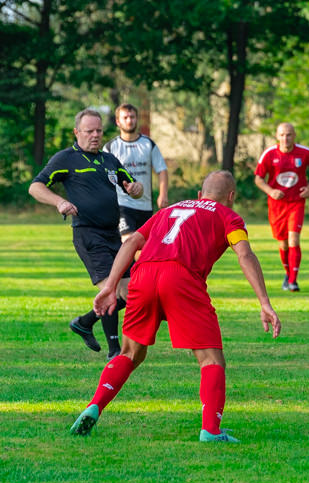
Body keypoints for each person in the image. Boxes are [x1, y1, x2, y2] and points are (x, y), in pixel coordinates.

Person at [69, 170, 281, 443]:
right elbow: (245, 254)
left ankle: (94, 406)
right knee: (211, 360)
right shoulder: (229, 216)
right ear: (231, 197)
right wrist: (264, 302)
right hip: (181, 278)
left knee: (130, 353)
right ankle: (211, 431)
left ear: (199, 194)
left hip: (142, 275)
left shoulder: (168, 210)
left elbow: (132, 241)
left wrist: (110, 286)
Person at [29, 109, 144, 360]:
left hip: (115, 236)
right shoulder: (65, 159)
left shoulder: (109, 160)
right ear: (76, 132)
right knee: (110, 291)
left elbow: (133, 187)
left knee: (134, 292)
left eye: (99, 131)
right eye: (89, 131)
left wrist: (136, 188)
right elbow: (35, 186)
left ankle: (84, 322)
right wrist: (59, 202)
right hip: (88, 235)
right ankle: (115, 352)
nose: (95, 135)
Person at [254, 122, 309, 292]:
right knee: (283, 244)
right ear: (277, 136)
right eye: (282, 135)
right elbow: (258, 178)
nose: (286, 138)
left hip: (296, 202)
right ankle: (288, 273)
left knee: (294, 239)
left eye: (289, 134)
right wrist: (271, 191)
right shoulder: (269, 154)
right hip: (277, 205)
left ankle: (293, 281)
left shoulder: (305, 153)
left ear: (294, 135)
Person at [103, 103, 170, 241]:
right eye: (125, 117)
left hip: (145, 206)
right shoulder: (110, 147)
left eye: (132, 117)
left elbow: (162, 170)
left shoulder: (148, 144)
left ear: (137, 119)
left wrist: (163, 194)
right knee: (129, 241)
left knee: (143, 245)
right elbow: (103, 177)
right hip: (122, 205)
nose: (129, 120)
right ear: (118, 121)